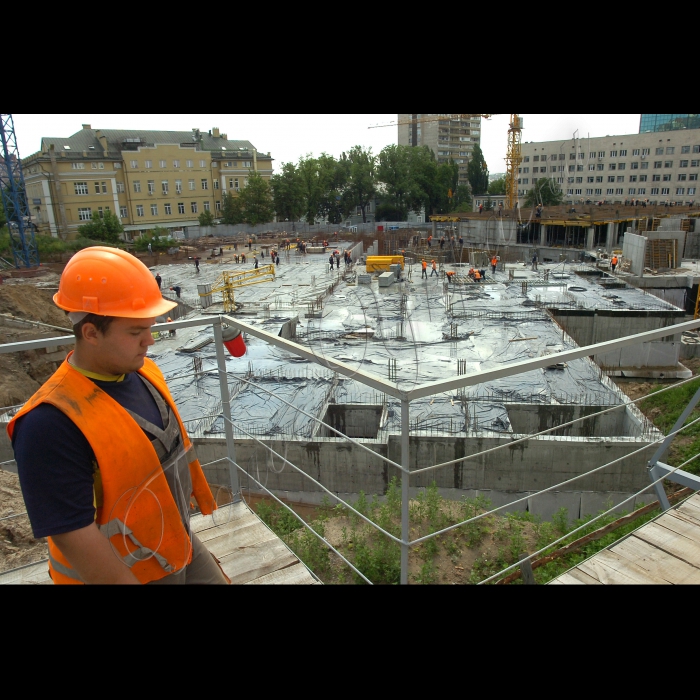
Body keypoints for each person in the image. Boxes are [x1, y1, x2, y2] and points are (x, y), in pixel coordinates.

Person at [8, 247, 227, 585]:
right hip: (128, 571)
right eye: (135, 332)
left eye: (149, 328)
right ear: (91, 333)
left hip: (174, 543)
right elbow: (73, 533)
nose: (149, 341)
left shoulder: (145, 374)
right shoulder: (49, 423)